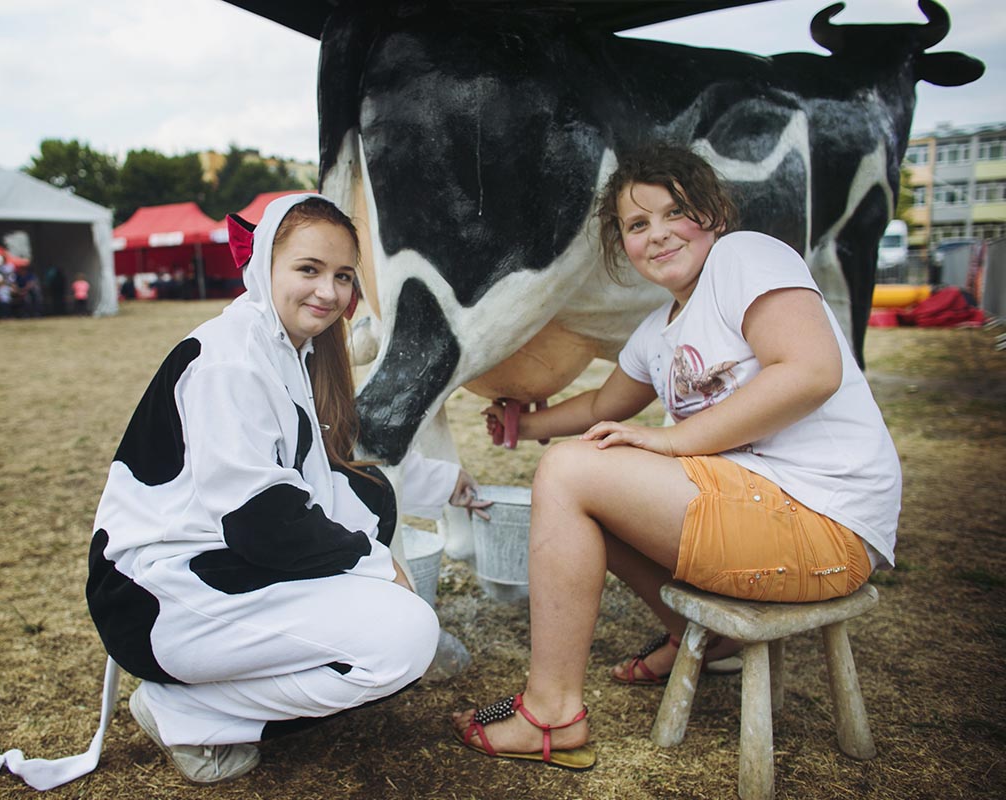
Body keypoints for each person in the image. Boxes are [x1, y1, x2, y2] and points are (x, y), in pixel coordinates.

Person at [451, 144, 901, 770]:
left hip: (824, 521)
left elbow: (811, 371)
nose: (656, 234)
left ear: (714, 213)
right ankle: (705, 637)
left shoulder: (746, 257)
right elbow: (599, 408)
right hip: (759, 513)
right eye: (637, 225)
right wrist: (521, 425)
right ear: (623, 244)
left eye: (674, 212)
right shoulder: (657, 331)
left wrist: (675, 440)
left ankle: (550, 713)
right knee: (580, 491)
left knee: (571, 471)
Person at [86, 194, 488, 784]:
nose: (328, 291)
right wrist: (376, 567)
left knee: (369, 495)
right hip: (154, 594)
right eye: (308, 269)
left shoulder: (283, 349)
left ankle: (209, 695)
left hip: (211, 560)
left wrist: (438, 488)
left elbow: (333, 478)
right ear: (264, 267)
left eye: (343, 276)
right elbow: (260, 520)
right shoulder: (230, 360)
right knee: (405, 639)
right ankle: (185, 710)